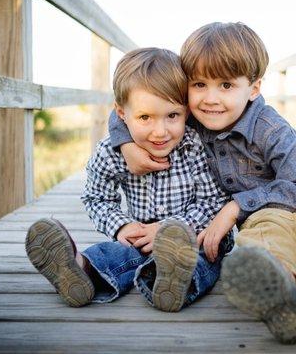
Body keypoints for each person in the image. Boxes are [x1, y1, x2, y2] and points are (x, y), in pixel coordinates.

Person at [107, 22, 296, 344]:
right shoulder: (190, 117)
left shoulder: (270, 128)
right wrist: (126, 144)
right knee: (270, 225)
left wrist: (234, 207)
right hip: (271, 216)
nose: (210, 98)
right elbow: (135, 101)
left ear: (254, 88)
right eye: (199, 84)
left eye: (227, 85)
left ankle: (294, 268)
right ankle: (285, 293)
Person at [25, 47, 231, 312]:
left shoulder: (194, 146)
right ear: (121, 113)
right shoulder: (111, 151)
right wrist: (121, 227)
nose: (161, 131)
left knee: (204, 256)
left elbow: (213, 201)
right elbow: (96, 197)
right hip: (141, 236)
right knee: (118, 252)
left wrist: (171, 227)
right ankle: (79, 270)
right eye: (145, 117)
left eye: (172, 116)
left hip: (197, 234)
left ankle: (174, 282)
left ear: (186, 112)